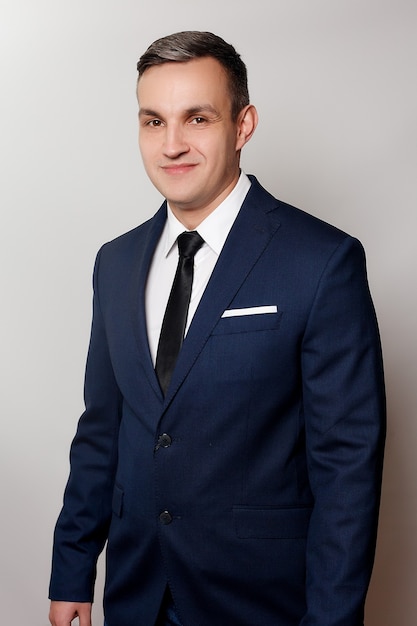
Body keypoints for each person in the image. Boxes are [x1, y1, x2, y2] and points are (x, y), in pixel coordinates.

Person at [48, 31, 385, 626]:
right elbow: (101, 431)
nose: (172, 144)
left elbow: (347, 465)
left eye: (197, 118)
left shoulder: (322, 261)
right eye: (153, 121)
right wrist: (72, 569)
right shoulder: (116, 262)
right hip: (136, 594)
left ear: (243, 125)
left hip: (260, 602)